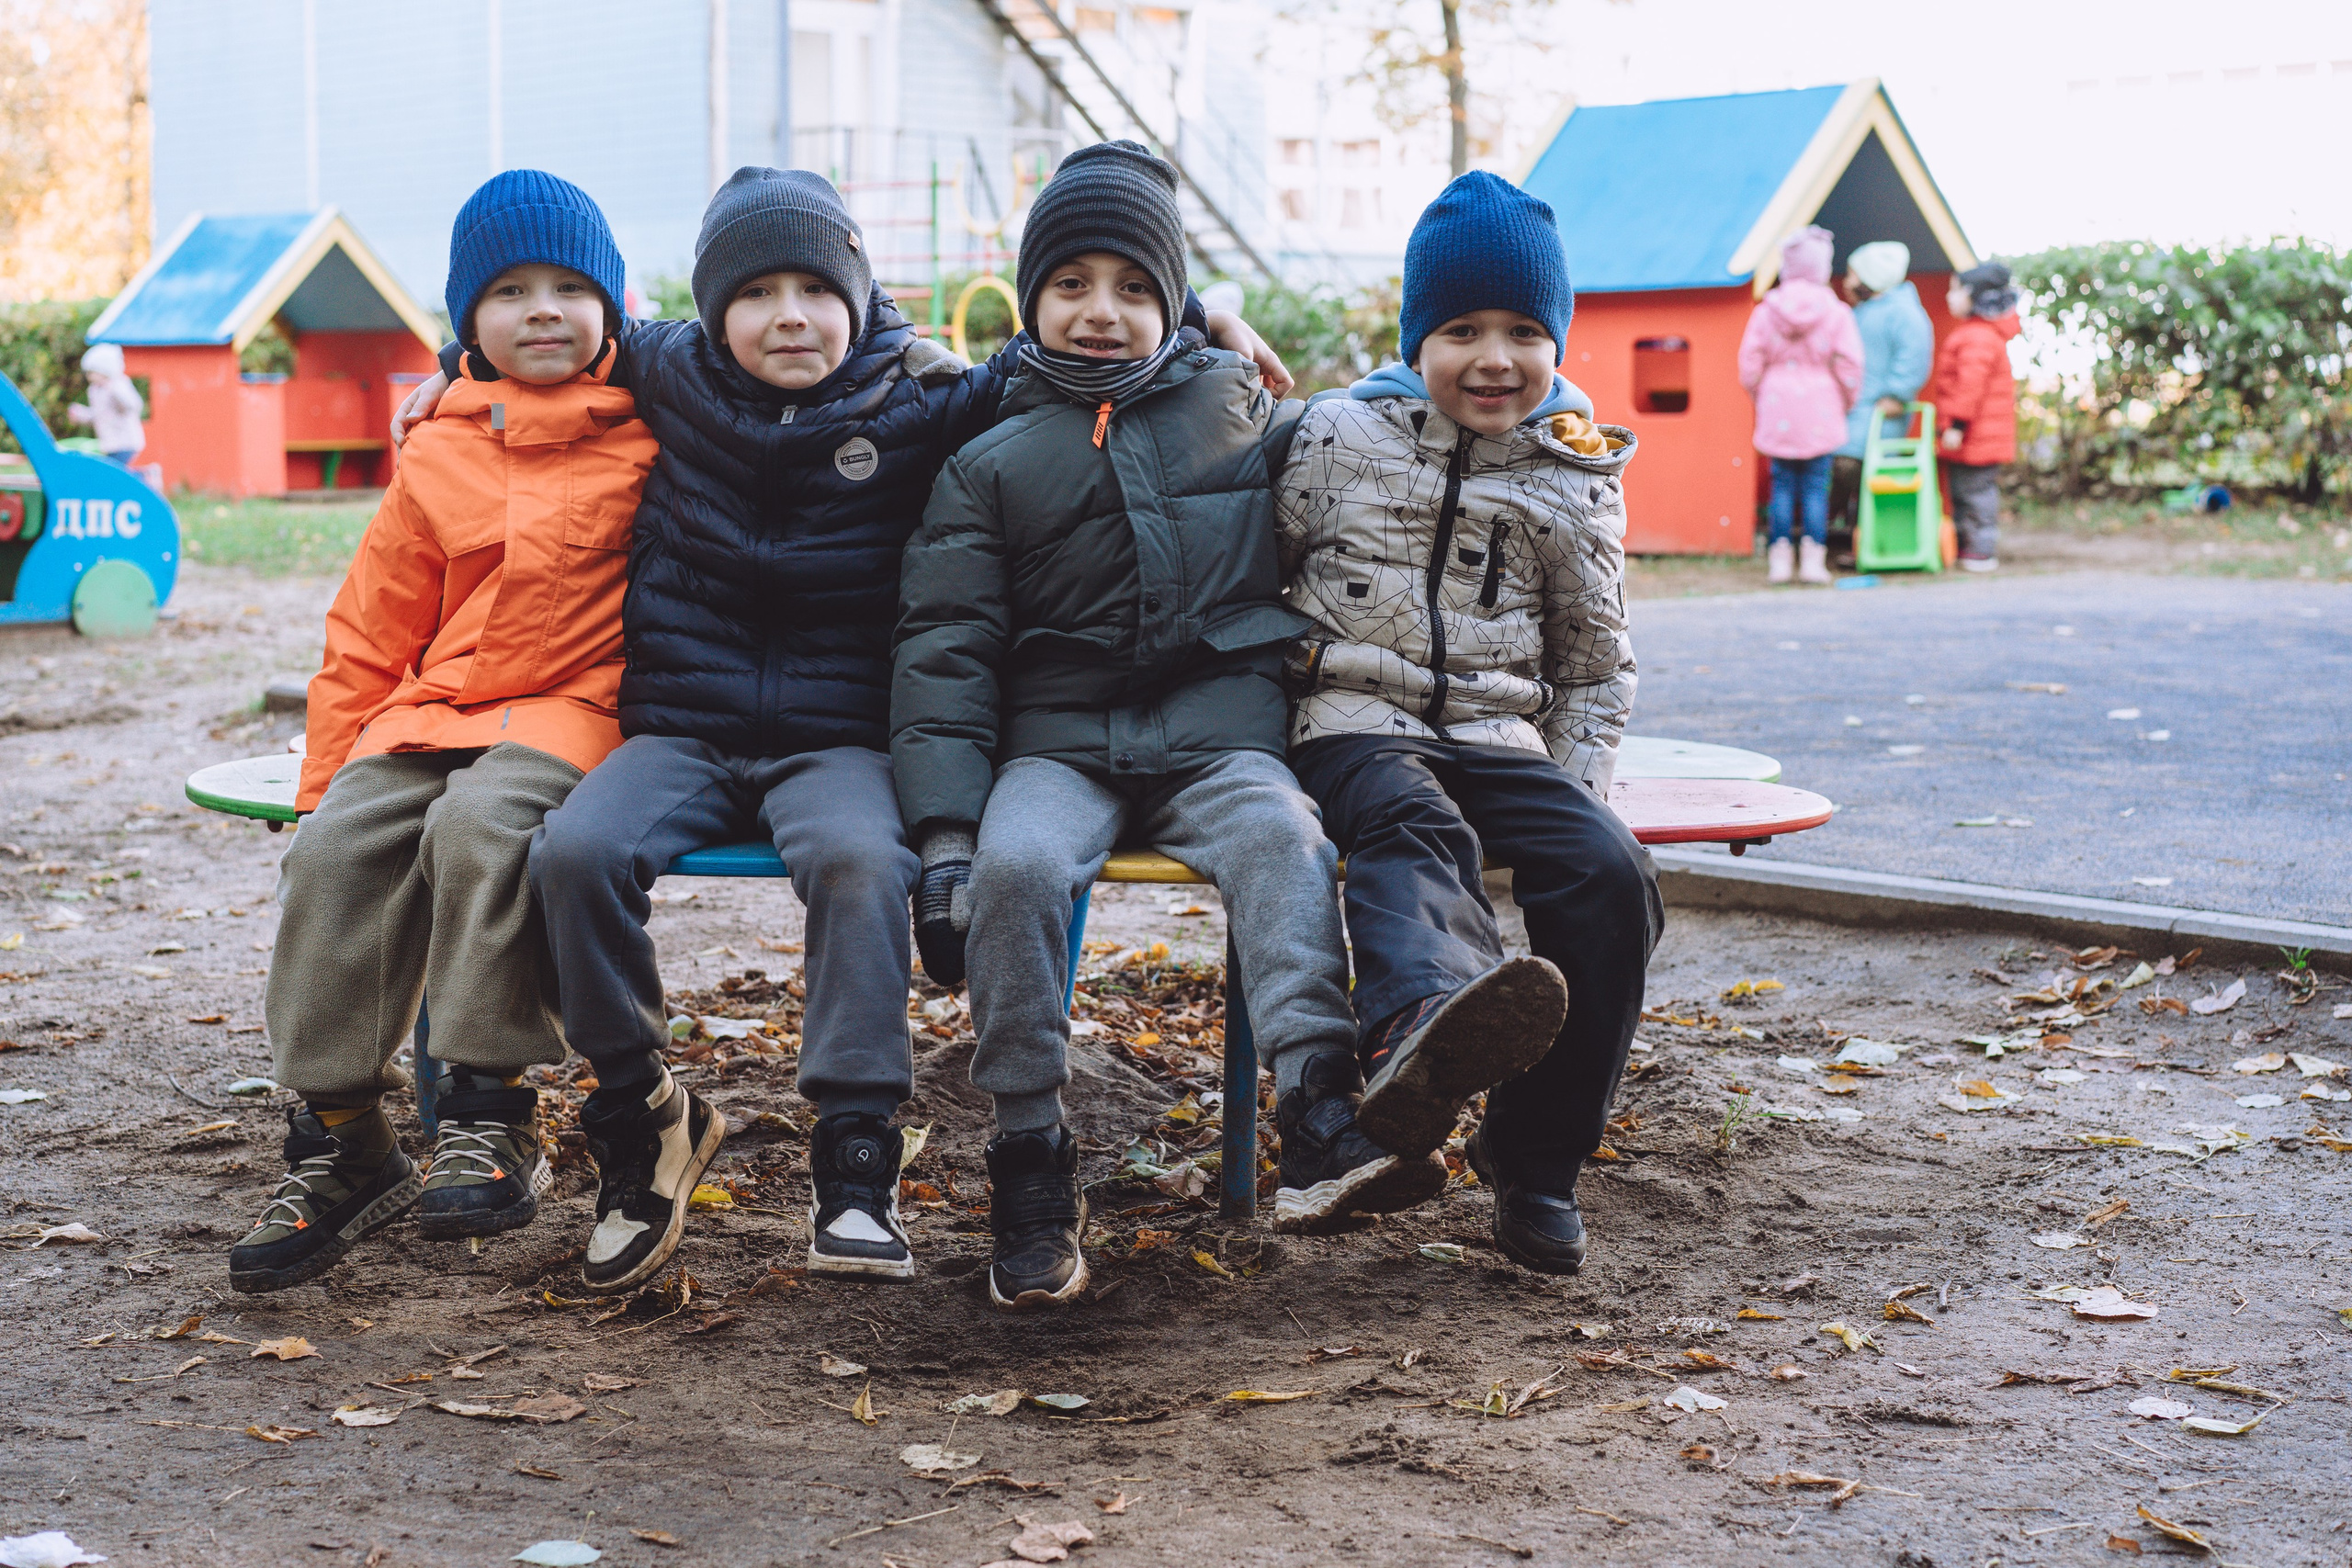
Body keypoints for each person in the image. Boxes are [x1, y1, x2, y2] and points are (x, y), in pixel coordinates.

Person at [390, 164, 1289, 1289]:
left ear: (858, 300)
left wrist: (1208, 312)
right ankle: (642, 1111)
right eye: (755, 294)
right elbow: (554, 339)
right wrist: (451, 373)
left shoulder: (923, 397)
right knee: (575, 851)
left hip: (841, 738)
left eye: (817, 289)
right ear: (711, 312)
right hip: (683, 727)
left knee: (863, 863)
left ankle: (856, 1153)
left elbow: (1076, 349)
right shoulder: (670, 372)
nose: (790, 317)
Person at [892, 141, 1366, 1307]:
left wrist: (1229, 330)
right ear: (1029, 299)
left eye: (1135, 289)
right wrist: (947, 838)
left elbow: (1362, 444)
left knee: (1283, 841)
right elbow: (946, 649)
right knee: (1014, 872)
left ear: (1176, 305)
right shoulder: (985, 456)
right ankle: (1028, 1152)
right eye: (1070, 285)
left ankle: (1320, 1105)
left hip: (1218, 733)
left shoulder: (1235, 404)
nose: (1100, 312)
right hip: (1058, 741)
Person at [228, 171, 688, 1294]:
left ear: (614, 307)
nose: (543, 311)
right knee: (336, 848)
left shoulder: (664, 421)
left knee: (482, 829)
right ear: (466, 321)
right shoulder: (437, 446)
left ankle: (490, 1111)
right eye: (508, 292)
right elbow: (370, 624)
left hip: (575, 705)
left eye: (571, 288)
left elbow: (766, 347)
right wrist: (323, 779)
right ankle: (344, 1135)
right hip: (436, 706)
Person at [1275, 171, 1660, 1273]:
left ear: (1557, 342)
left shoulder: (1570, 473)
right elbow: (1258, 573)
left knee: (1609, 874)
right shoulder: (1335, 437)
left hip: (1500, 735)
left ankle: (1534, 1161)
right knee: (1413, 824)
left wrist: (1574, 806)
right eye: (1461, 331)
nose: (1495, 358)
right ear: (1416, 338)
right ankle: (1418, 1035)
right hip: (1355, 718)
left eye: (1524, 332)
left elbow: (1593, 662)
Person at [1737, 225, 1862, 585]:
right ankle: (1812, 562)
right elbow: (1850, 365)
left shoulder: (1767, 310)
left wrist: (1761, 394)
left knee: (1782, 485)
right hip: (1821, 406)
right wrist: (1846, 400)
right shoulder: (1837, 312)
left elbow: (1749, 364)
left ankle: (1779, 561)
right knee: (1815, 486)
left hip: (1777, 403)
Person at [1829, 241, 1934, 531]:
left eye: (1852, 274)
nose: (1846, 282)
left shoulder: (1904, 313)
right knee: (1838, 464)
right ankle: (1841, 528)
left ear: (1871, 276)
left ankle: (1863, 528)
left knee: (1852, 463)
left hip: (1881, 410)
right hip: (1854, 408)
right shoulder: (1862, 311)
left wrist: (1898, 393)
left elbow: (1913, 355)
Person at [1930, 261, 2020, 571]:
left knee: (1976, 493)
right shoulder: (1976, 333)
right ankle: (1968, 547)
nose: (1949, 297)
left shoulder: (1977, 337)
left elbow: (1970, 386)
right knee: (1965, 492)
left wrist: (1956, 425)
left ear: (1975, 296)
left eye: (1956, 290)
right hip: (1977, 434)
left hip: (1975, 434)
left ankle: (1981, 551)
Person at [67, 343, 144, 467]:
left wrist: (114, 389)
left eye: (92, 373)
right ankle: (144, 475)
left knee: (116, 473)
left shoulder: (118, 384)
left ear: (104, 371)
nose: (88, 377)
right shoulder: (95, 390)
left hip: (125, 442)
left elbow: (133, 406)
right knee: (115, 472)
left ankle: (145, 475)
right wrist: (81, 414)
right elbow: (99, 415)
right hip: (109, 444)